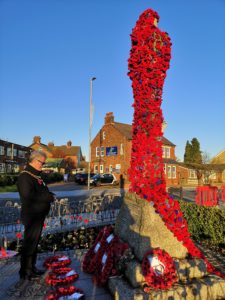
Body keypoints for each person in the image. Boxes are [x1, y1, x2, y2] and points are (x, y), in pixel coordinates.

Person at [17, 150, 55, 280]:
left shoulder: (35, 176)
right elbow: (28, 195)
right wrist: (47, 197)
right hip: (32, 216)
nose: (42, 165)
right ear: (34, 160)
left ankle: (31, 267)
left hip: (38, 215)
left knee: (34, 243)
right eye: (42, 163)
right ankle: (25, 271)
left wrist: (49, 195)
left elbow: (42, 190)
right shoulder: (25, 176)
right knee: (29, 243)